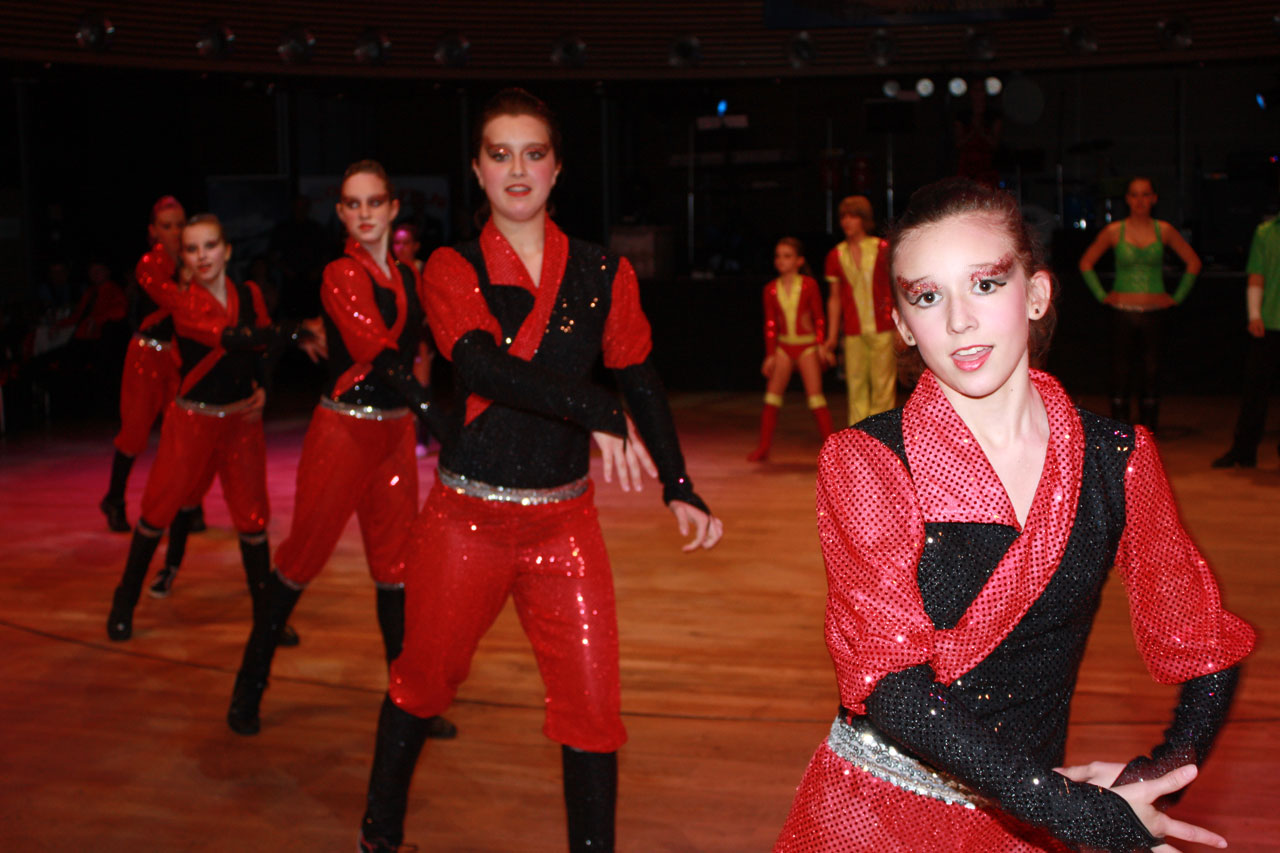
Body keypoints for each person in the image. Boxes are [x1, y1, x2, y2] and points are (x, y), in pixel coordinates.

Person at [775, 177, 1254, 852]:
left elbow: (1205, 645)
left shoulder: (1116, 458)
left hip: (1030, 821)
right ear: (902, 324)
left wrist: (1153, 782)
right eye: (927, 296)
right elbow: (892, 688)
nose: (959, 321)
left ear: (1036, 294)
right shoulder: (867, 459)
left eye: (986, 284)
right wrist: (1079, 812)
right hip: (874, 817)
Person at [356, 88, 724, 853]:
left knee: (592, 708)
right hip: (466, 522)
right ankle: (378, 837)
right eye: (500, 154)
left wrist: (678, 481)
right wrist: (596, 407)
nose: (517, 169)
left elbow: (639, 375)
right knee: (422, 681)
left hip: (565, 525)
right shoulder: (451, 266)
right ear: (477, 169)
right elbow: (483, 368)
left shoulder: (603, 271)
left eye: (533, 153)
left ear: (557, 168)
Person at [225, 162, 454, 740]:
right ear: (341, 214)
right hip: (344, 435)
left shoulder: (409, 274)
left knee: (397, 571)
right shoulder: (341, 274)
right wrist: (440, 418)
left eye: (375, 202)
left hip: (394, 436)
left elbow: (441, 336)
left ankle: (409, 703)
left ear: (393, 208)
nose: (365, 213)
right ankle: (248, 686)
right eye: (353, 204)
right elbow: (378, 353)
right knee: (301, 558)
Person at [106, 215, 319, 642]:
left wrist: (263, 386)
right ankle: (123, 603)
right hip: (191, 424)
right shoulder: (185, 302)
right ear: (183, 258)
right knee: (158, 509)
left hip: (242, 422)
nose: (202, 256)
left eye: (209, 246)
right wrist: (298, 330)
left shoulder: (250, 293)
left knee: (253, 518)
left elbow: (259, 348)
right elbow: (235, 338)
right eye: (192, 249)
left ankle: (266, 620)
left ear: (227, 250)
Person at [1078, 177, 1202, 430]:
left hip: (1154, 311)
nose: (1140, 200)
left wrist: (1177, 297)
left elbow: (1194, 263)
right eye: (1134, 195)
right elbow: (1085, 263)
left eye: (1145, 195)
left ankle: (1149, 431)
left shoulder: (1164, 230)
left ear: (1154, 198)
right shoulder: (1115, 231)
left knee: (1151, 371)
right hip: (1122, 311)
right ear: (1127, 199)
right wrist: (1102, 294)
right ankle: (1120, 431)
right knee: (1120, 371)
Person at [747, 237, 832, 461]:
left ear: (799, 261)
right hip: (785, 347)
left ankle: (833, 449)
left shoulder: (809, 285)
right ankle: (764, 447)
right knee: (771, 398)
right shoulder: (770, 289)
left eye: (787, 256)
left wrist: (821, 344)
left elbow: (819, 317)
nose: (781, 260)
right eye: (778, 256)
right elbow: (770, 325)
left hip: (806, 346)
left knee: (815, 398)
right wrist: (770, 355)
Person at [1213, 208, 1280, 468]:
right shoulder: (1266, 232)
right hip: (1269, 322)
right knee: (1254, 392)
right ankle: (1244, 450)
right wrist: (1254, 315)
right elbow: (1257, 275)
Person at [821, 196, 896, 428]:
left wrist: (900, 325)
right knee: (855, 386)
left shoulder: (881, 248)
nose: (847, 221)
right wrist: (831, 337)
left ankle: (881, 437)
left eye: (852, 216)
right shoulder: (836, 255)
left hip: (883, 327)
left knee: (883, 386)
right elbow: (834, 299)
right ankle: (859, 438)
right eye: (843, 216)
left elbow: (894, 289)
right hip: (853, 330)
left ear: (863, 219)